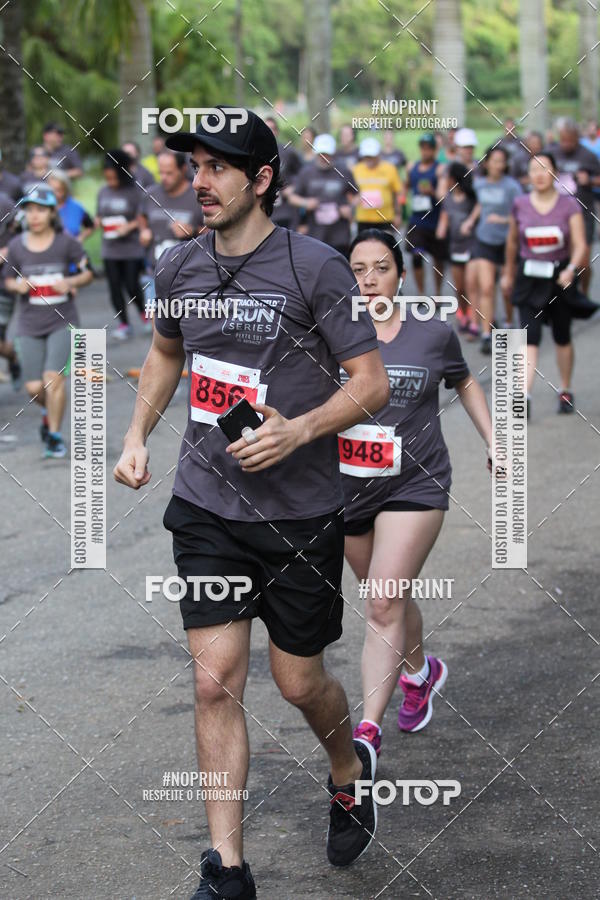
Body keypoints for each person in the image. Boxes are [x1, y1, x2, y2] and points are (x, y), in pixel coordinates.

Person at [113, 107, 389, 900]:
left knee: (300, 683)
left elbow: (368, 384)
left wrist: (299, 431)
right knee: (213, 680)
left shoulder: (318, 269)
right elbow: (168, 350)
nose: (197, 181)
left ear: (261, 178)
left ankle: (347, 767)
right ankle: (227, 870)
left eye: (216, 167)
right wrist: (137, 434)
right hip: (205, 504)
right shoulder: (178, 265)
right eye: (192, 166)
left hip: (300, 512)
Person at [342, 229, 492, 755]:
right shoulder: (326, 338)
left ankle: (367, 734)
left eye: (380, 267)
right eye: (358, 269)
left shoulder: (432, 333)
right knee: (388, 595)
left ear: (401, 276)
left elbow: (465, 381)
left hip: (417, 481)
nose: (369, 279)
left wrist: (495, 440)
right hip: (350, 488)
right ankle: (419, 670)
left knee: (382, 601)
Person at [2, 186, 93, 456]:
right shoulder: (17, 246)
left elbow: (88, 273)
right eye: (30, 211)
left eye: (41, 210)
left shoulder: (67, 243)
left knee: (53, 380)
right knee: (34, 387)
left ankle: (54, 436)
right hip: (29, 323)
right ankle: (46, 411)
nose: (35, 216)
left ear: (52, 213)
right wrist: (16, 286)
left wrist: (72, 280)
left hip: (62, 321)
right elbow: (7, 279)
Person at [501, 152, 587, 417]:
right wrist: (507, 272)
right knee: (529, 335)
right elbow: (513, 242)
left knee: (562, 335)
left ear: (555, 173)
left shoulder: (568, 205)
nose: (538, 174)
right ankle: (523, 396)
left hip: (560, 276)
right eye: (533, 169)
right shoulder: (520, 204)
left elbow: (581, 244)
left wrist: (572, 269)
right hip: (529, 277)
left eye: (544, 168)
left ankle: (565, 388)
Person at [471, 146, 522, 353]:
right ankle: (486, 334)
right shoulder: (479, 184)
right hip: (484, 241)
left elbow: (521, 215)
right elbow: (479, 206)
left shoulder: (512, 186)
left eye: (502, 161)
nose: (498, 164)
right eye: (494, 160)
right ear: (486, 163)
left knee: (506, 288)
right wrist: (469, 221)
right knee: (486, 288)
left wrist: (501, 219)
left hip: (508, 243)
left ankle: (508, 324)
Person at [95, 149, 149, 339]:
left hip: (131, 248)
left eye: (113, 178)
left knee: (132, 286)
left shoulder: (135, 191)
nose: (110, 182)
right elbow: (99, 216)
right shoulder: (103, 192)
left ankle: (144, 314)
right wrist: (99, 222)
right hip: (110, 248)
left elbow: (142, 216)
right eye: (107, 178)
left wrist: (130, 226)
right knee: (114, 288)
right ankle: (124, 324)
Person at [139, 149, 204, 297]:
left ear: (183, 169)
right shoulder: (151, 194)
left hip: (189, 276)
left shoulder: (198, 195)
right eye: (160, 172)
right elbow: (141, 216)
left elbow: (215, 232)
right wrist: (144, 230)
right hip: (154, 274)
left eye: (169, 173)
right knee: (155, 318)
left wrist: (193, 231)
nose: (164, 178)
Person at [548, 117, 600, 294]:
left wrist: (591, 180)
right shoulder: (552, 153)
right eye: (563, 140)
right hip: (556, 213)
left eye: (570, 140)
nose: (566, 144)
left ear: (577, 138)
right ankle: (562, 295)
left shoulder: (588, 155)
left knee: (583, 261)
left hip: (583, 213)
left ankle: (583, 293)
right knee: (559, 257)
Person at [289, 134, 357, 256]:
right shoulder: (306, 172)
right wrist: (305, 203)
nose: (324, 157)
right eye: (321, 154)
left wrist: (350, 208)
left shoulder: (344, 171)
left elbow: (358, 194)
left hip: (339, 234)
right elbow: (292, 198)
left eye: (327, 154)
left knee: (340, 269)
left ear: (333, 154)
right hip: (315, 233)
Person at [436, 162, 480, 337]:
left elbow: (479, 208)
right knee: (459, 287)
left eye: (447, 177)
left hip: (471, 247)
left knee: (471, 285)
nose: (445, 180)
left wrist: (470, 222)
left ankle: (474, 320)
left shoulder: (471, 198)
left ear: (454, 179)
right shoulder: (448, 199)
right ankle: (463, 313)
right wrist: (441, 228)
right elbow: (444, 217)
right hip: (455, 247)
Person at [405, 133, 447, 293]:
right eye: (423, 148)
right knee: (416, 256)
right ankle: (421, 293)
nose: (426, 152)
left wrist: (431, 191)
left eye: (429, 148)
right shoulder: (412, 168)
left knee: (438, 259)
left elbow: (443, 197)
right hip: (417, 220)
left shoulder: (439, 169)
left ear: (434, 150)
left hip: (434, 220)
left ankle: (438, 293)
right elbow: (406, 186)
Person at [352, 137, 403, 233]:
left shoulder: (390, 168)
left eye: (372, 156)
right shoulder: (356, 169)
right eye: (366, 156)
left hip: (385, 218)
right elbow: (350, 192)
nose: (369, 159)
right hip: (363, 219)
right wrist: (354, 200)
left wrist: (398, 214)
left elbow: (397, 193)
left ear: (378, 155)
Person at [264, 116, 303, 230]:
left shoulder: (288, 151)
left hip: (286, 211)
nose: (269, 132)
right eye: (266, 128)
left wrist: (294, 187)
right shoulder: (253, 153)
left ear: (277, 131)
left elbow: (304, 174)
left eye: (272, 128)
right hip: (265, 211)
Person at [0, 190, 21, 386]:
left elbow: (25, 234)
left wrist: (6, 252)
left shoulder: (5, 203)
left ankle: (15, 356)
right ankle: (14, 356)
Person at [47, 171, 94, 241]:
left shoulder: (76, 207)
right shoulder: (43, 206)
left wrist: (80, 238)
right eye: (51, 190)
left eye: (59, 190)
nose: (55, 194)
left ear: (66, 189)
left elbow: (90, 226)